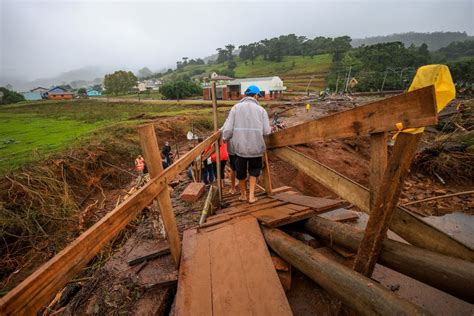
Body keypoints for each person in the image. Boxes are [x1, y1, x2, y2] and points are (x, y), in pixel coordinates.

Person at [221, 85, 271, 203]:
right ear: (256, 95)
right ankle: (251, 196)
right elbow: (266, 131)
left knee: (241, 172)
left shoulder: (236, 108)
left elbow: (228, 129)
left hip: (240, 148)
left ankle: (243, 195)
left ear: (246, 95)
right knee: (254, 170)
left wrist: (225, 138)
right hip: (256, 147)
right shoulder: (261, 110)